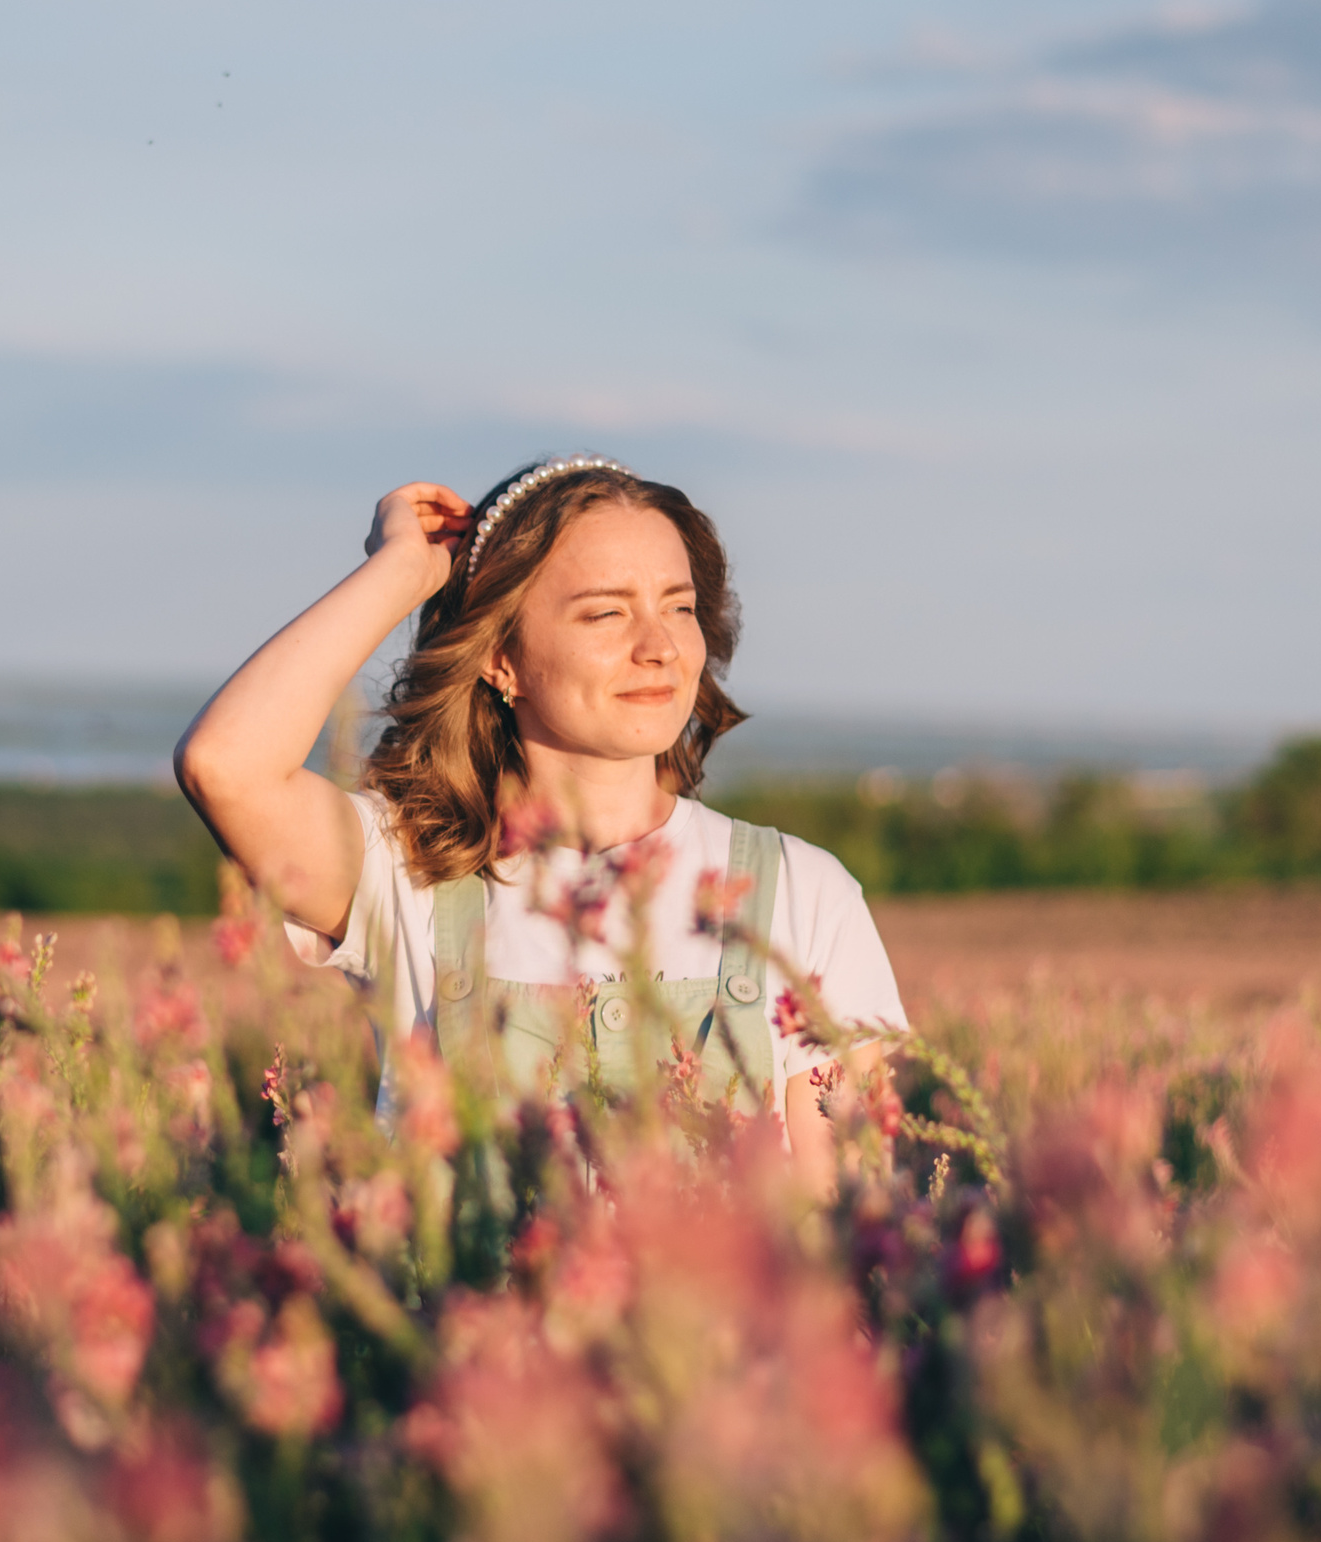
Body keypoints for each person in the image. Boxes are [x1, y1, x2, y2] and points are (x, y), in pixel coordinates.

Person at [174, 454, 906, 1190]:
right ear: (501, 656)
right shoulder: (407, 870)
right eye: (606, 611)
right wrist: (403, 571)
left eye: (679, 607)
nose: (659, 646)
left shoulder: (805, 894)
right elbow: (225, 766)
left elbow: (840, 1218)